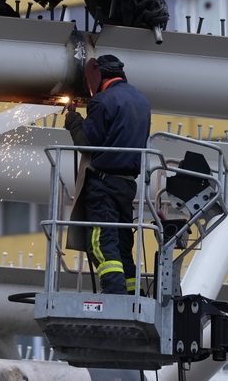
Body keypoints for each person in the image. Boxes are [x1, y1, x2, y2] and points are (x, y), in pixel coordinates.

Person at [64, 55, 151, 295]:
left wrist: (73, 120)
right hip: (127, 185)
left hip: (103, 184)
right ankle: (134, 292)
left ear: (98, 75)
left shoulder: (102, 101)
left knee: (102, 241)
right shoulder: (141, 100)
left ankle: (114, 292)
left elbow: (87, 143)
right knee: (123, 244)